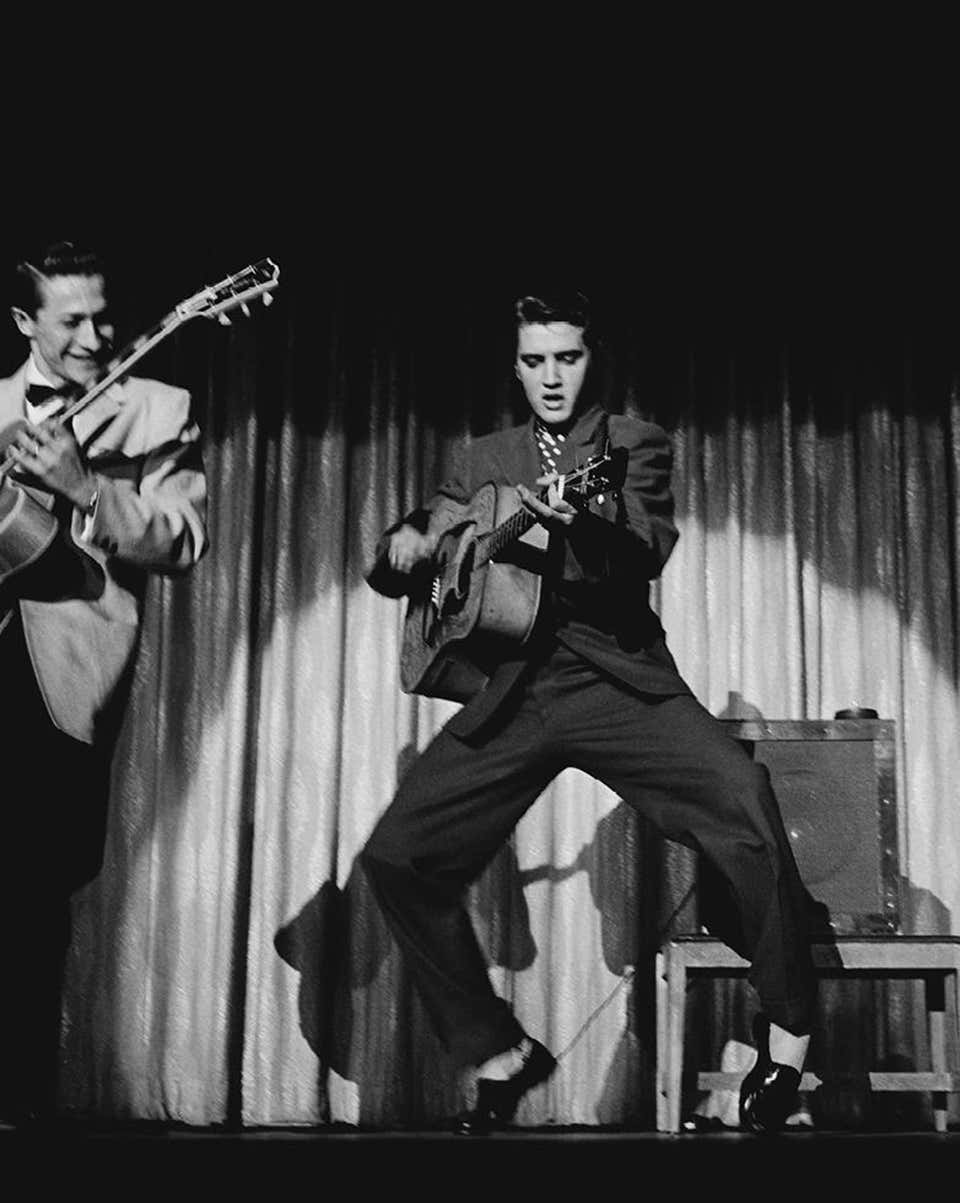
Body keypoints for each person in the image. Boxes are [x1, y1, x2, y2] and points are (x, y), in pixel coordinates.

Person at [361, 290, 816, 1135]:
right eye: (535, 360)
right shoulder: (482, 457)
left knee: (745, 799)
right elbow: (421, 551)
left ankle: (788, 1034)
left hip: (615, 677)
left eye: (566, 358)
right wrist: (405, 548)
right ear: (516, 366)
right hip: (515, 690)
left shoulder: (632, 444)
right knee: (396, 856)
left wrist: (584, 523)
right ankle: (498, 1051)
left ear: (590, 359)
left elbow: (644, 546)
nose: (551, 376)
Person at [0, 241, 208, 1126]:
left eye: (103, 315)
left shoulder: (157, 408)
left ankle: (17, 1100)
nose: (95, 336)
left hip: (59, 663)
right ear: (25, 321)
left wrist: (85, 487)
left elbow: (182, 539)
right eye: (71, 319)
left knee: (33, 879)